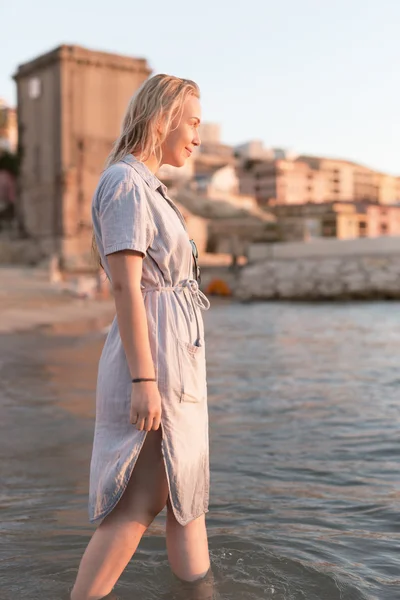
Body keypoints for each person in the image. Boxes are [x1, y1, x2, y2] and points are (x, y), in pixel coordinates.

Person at [71, 74, 211, 600]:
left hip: (176, 362)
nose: (198, 136)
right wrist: (144, 380)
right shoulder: (126, 185)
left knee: (186, 501)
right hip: (154, 363)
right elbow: (127, 289)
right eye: (192, 123)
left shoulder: (149, 187)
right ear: (162, 118)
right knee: (140, 502)